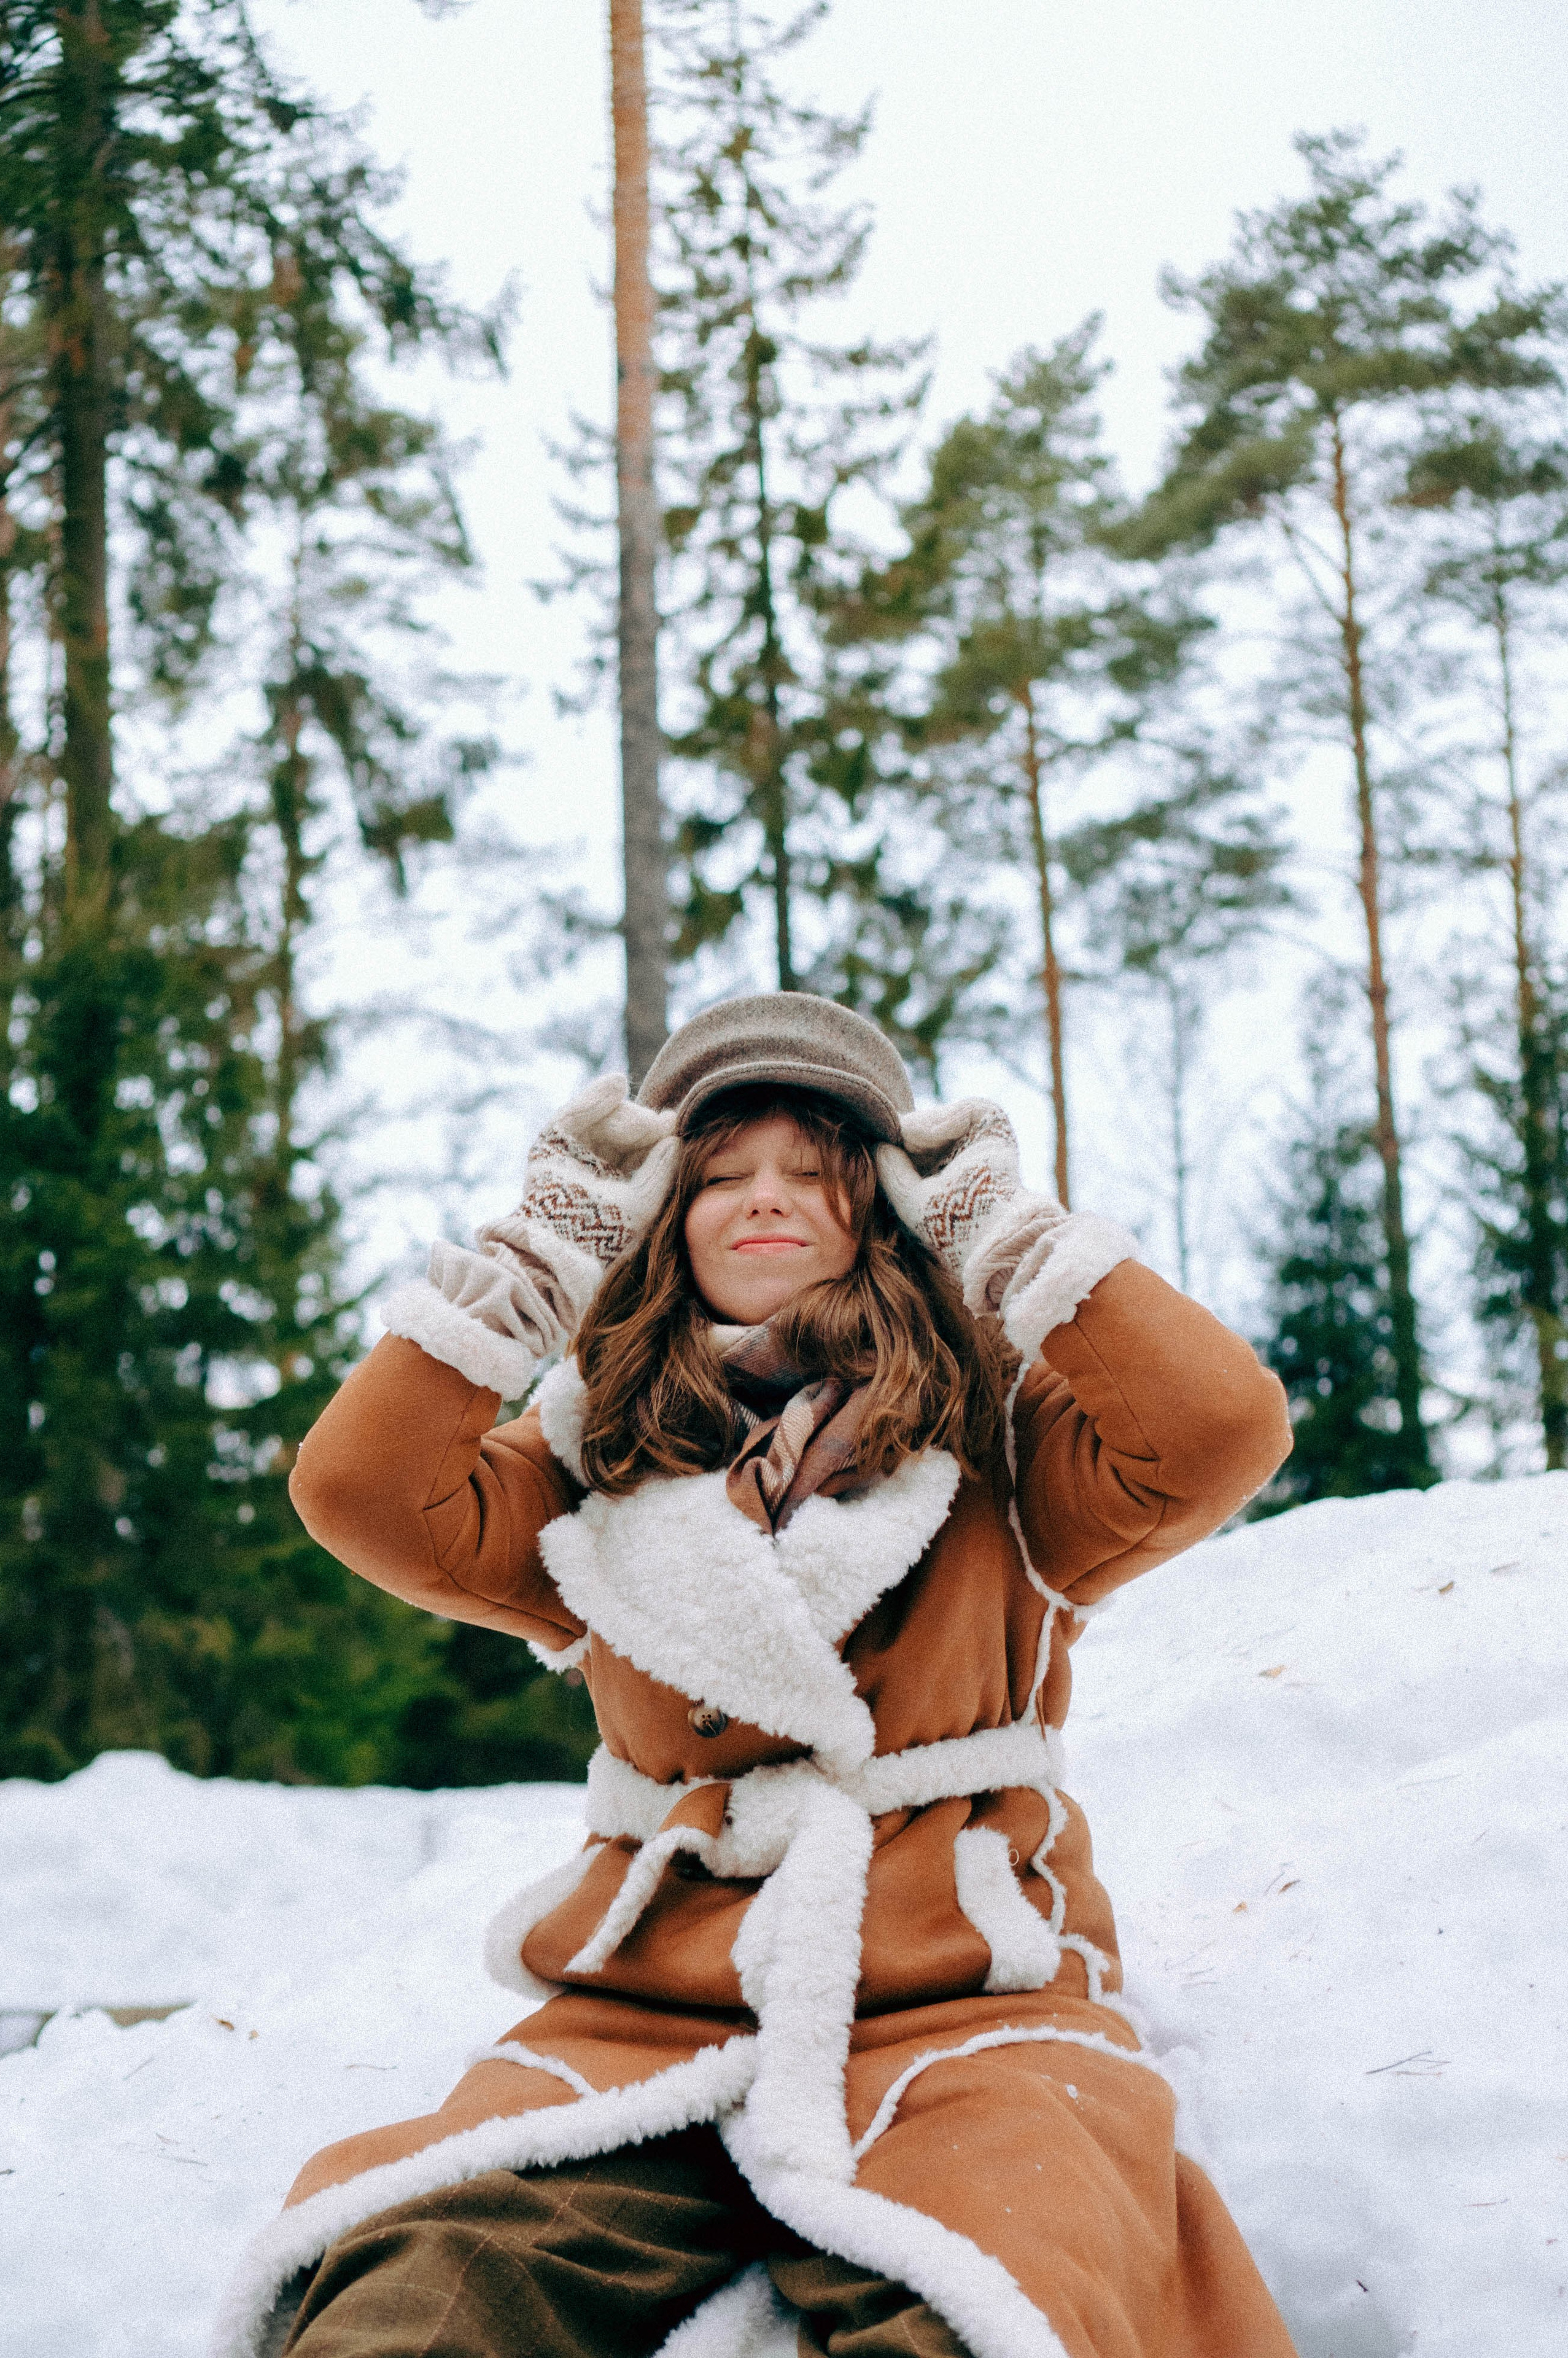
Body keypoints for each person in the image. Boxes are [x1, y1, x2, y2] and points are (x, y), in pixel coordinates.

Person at [213, 992, 1298, 2358]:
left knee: (999, 2306)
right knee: (419, 2295)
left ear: (886, 1209)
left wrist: (1005, 1239)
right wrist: (539, 1268)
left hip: (962, 2005)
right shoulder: (585, 1455)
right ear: (662, 1218)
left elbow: (1222, 1429)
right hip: (646, 2016)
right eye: (717, 1175)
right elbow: (360, 1491)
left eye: (816, 1171)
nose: (762, 1201)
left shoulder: (1003, 1438)